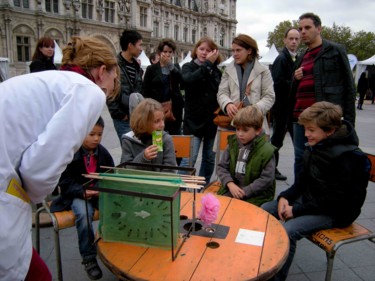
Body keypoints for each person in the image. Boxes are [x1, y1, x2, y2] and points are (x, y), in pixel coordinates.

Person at [0, 36, 119, 281]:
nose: (112, 88)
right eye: (114, 79)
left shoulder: (55, 81)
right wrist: (30, 197)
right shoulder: (88, 91)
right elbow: (40, 169)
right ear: (101, 71)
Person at [262, 101, 370, 281]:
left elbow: (333, 199)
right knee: (265, 209)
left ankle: (275, 278)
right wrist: (284, 197)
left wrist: (295, 210)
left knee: (289, 231)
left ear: (330, 131)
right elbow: (301, 183)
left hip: (337, 212)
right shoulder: (316, 146)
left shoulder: (348, 157)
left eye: (311, 130)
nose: (306, 134)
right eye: (305, 129)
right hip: (314, 201)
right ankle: (262, 262)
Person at [290, 12, 356, 177]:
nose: (302, 32)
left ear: (319, 28)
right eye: (300, 28)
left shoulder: (335, 50)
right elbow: (294, 89)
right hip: (300, 119)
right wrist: (295, 78)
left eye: (307, 27)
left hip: (322, 119)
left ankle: (318, 197)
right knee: (300, 158)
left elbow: (348, 86)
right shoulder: (301, 56)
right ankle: (299, 197)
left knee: (324, 158)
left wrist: (348, 122)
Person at [50, 117, 114, 280]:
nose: (96, 138)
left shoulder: (103, 153)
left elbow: (111, 174)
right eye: (91, 134)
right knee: (84, 215)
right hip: (76, 195)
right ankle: (89, 259)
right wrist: (82, 191)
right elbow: (64, 182)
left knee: (115, 209)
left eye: (99, 134)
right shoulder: (70, 154)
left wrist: (100, 187)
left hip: (97, 193)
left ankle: (112, 248)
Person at [180, 36, 222, 184]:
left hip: (211, 122)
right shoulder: (188, 67)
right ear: (196, 50)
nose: (205, 53)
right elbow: (188, 81)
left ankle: (201, 186)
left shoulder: (216, 71)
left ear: (215, 52)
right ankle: (183, 190)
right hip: (193, 121)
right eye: (202, 49)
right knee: (188, 159)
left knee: (209, 159)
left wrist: (211, 66)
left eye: (209, 50)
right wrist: (207, 65)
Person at [216, 106, 276, 206]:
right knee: (219, 208)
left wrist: (246, 191)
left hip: (257, 195)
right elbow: (221, 167)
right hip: (233, 189)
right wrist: (229, 184)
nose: (240, 134)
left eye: (245, 130)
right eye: (237, 129)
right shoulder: (232, 144)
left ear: (258, 130)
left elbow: (267, 179)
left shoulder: (267, 151)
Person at [217, 34, 275, 137]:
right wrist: (227, 104)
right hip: (231, 122)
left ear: (249, 50)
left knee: (256, 152)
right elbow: (222, 93)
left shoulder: (263, 71)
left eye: (238, 50)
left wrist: (254, 110)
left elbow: (269, 96)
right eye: (233, 50)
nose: (234, 54)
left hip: (255, 123)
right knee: (228, 152)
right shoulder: (228, 70)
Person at [270, 28, 300, 181]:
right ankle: (271, 169)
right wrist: (294, 79)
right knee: (277, 141)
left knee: (295, 141)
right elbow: (277, 84)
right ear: (285, 40)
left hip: (292, 109)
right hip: (282, 109)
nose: (294, 41)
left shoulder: (297, 57)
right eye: (291, 38)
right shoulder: (281, 58)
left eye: (296, 38)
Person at [107, 30, 143, 142]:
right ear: (130, 45)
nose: (141, 49)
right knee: (128, 149)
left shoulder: (136, 65)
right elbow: (109, 92)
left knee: (136, 148)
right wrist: (119, 114)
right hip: (122, 117)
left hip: (136, 116)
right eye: (139, 45)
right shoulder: (115, 64)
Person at [142, 38, 184, 136]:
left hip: (174, 109)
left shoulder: (175, 67)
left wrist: (171, 67)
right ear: (160, 52)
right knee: (158, 138)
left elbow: (182, 81)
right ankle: (160, 152)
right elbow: (145, 90)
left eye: (170, 52)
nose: (167, 54)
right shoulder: (151, 69)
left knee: (175, 138)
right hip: (157, 108)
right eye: (165, 51)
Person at [121, 98, 177, 169]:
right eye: (157, 121)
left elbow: (170, 169)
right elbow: (126, 170)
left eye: (163, 119)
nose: (162, 125)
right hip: (136, 179)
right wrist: (143, 158)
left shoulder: (165, 139)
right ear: (143, 122)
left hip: (160, 179)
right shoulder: (128, 140)